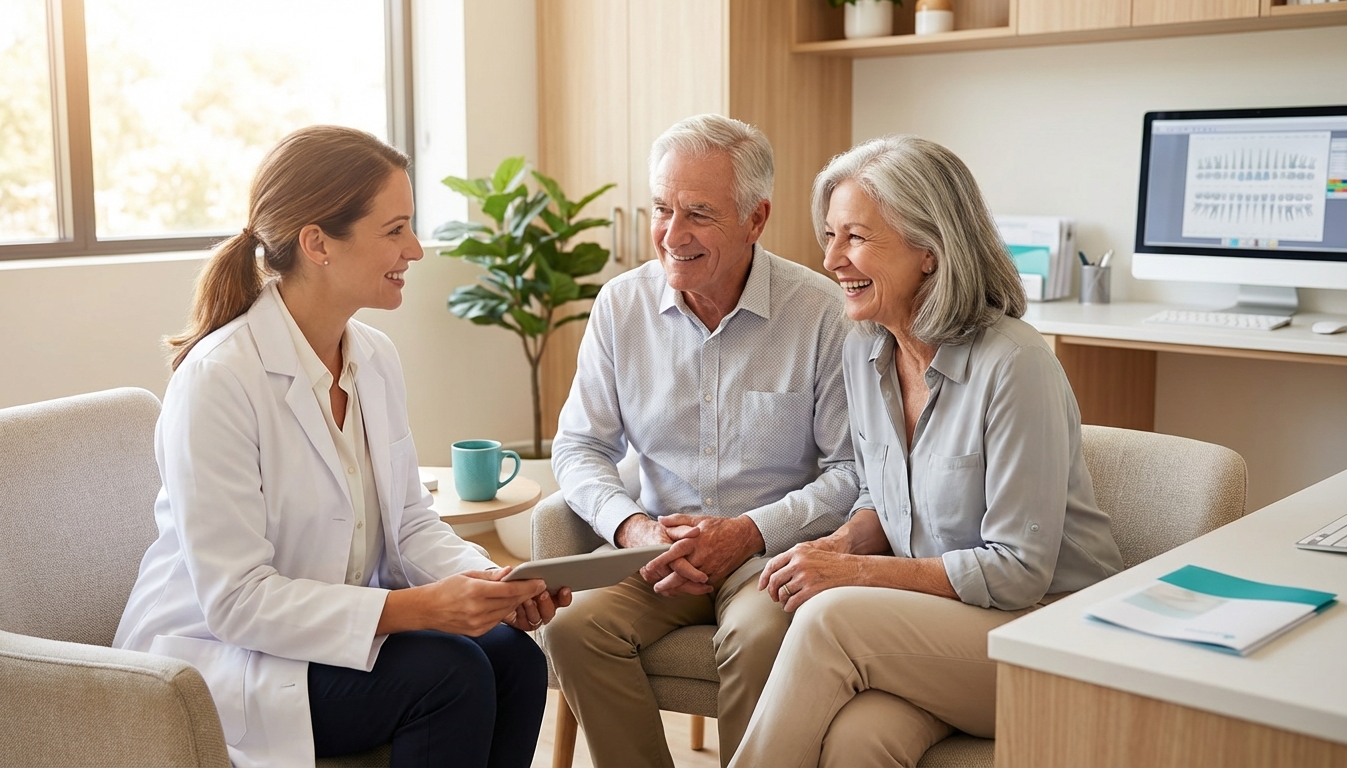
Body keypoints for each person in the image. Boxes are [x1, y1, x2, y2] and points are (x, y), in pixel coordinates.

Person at [114, 125, 570, 768]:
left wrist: (493, 583)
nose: (415, 249)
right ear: (318, 243)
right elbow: (237, 601)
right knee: (449, 673)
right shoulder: (220, 379)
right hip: (224, 656)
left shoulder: (374, 359)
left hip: (316, 640)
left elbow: (410, 523)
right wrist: (416, 609)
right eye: (395, 230)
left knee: (514, 657)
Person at [730, 135, 1125, 768]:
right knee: (860, 740)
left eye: (854, 237)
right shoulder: (865, 350)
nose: (831, 259)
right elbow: (883, 497)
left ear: (930, 253)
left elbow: (1018, 571)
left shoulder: (1015, 364)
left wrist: (856, 576)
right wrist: (839, 547)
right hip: (941, 622)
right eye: (829, 235)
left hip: (1048, 634)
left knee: (833, 621)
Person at [542, 114, 859, 767]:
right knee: (574, 629)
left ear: (756, 218)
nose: (671, 235)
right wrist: (633, 530)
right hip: (659, 552)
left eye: (698, 214)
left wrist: (746, 532)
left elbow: (853, 470)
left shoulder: (821, 313)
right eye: (662, 209)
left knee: (758, 634)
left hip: (768, 555)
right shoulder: (621, 308)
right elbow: (577, 447)